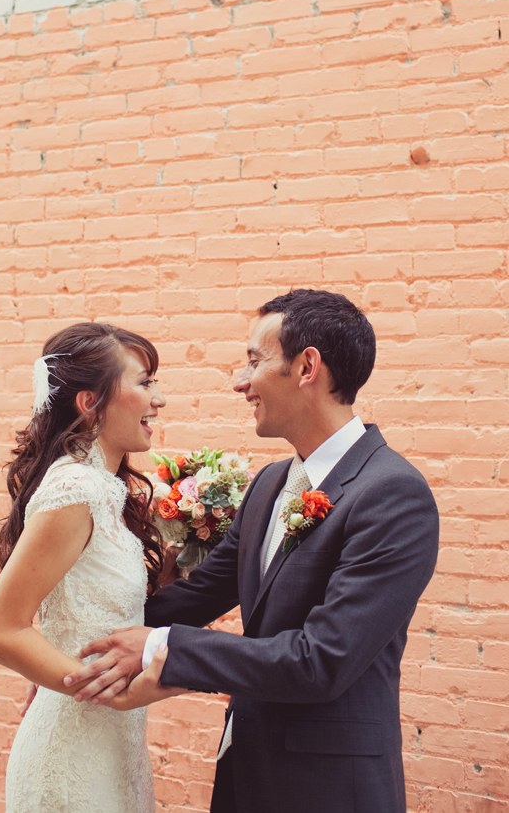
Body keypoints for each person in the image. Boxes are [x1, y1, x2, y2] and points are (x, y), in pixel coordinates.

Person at [63, 289, 440, 813]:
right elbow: (196, 596)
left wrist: (157, 648)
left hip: (329, 789)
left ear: (307, 367)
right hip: (246, 769)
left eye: (254, 360)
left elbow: (321, 660)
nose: (241, 382)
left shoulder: (393, 494)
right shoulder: (269, 485)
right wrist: (72, 644)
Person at [0, 321, 181, 813]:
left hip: (114, 748)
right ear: (91, 403)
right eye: (144, 382)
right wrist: (106, 691)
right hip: (72, 754)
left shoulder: (109, 491)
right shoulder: (76, 490)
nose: (159, 400)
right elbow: (0, 633)